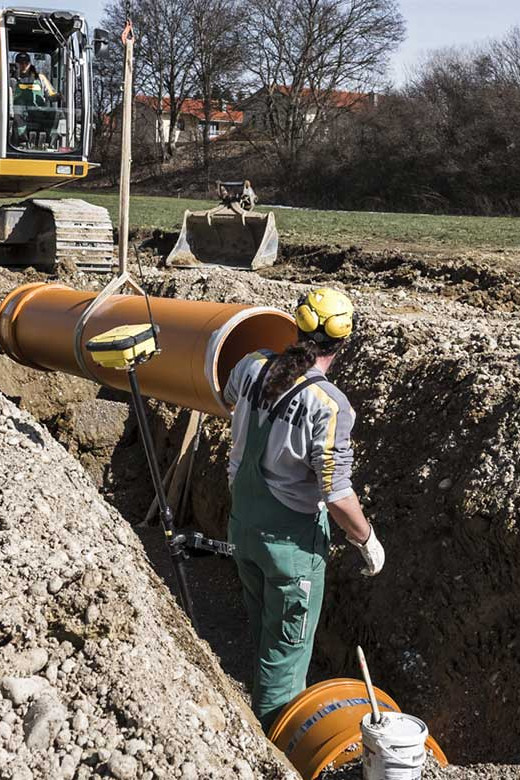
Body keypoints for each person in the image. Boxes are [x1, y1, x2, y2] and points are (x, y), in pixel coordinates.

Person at [224, 287, 385, 732]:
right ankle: (276, 744)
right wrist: (366, 539)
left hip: (243, 526)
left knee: (261, 627)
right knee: (286, 653)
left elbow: (227, 401)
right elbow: (336, 493)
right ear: (343, 344)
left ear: (295, 329)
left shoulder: (251, 365)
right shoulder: (329, 404)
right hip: (290, 548)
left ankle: (254, 711)